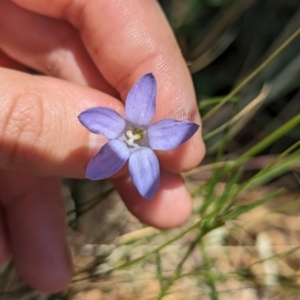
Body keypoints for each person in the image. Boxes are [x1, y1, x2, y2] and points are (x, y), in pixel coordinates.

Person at [0, 0, 205, 293]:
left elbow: (157, 160)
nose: (133, 138)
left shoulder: (153, 137)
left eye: (135, 136)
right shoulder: (116, 132)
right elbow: (95, 122)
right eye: (133, 136)